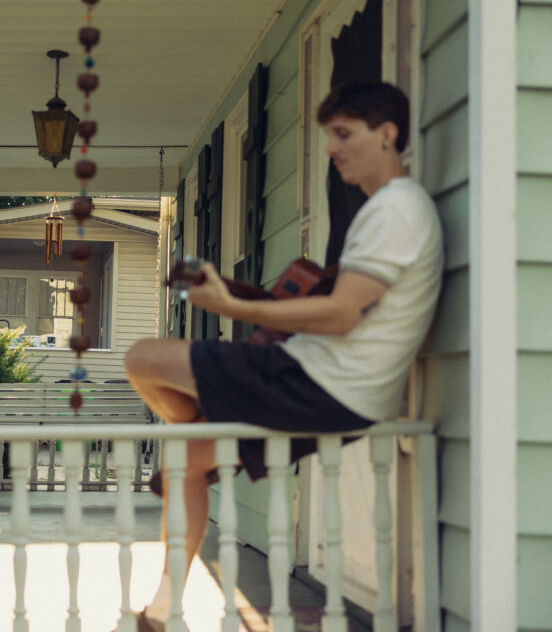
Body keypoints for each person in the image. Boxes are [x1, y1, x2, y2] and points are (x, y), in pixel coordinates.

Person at [124, 81, 443, 631]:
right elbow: (345, 308)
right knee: (186, 462)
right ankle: (161, 612)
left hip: (318, 382)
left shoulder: (395, 210)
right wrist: (232, 293)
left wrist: (233, 309)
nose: (332, 149)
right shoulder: (390, 210)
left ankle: (193, 423)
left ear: (388, 134)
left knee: (143, 357)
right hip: (337, 389)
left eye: (344, 134)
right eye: (328, 137)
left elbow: (342, 314)